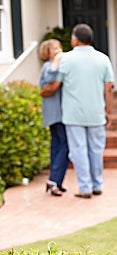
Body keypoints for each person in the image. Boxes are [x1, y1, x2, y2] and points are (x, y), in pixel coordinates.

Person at [41, 23, 114, 199]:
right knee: (96, 150)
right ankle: (97, 184)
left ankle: (85, 187)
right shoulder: (103, 58)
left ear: (75, 39)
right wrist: (108, 111)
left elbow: (55, 84)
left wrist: (43, 91)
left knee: (78, 150)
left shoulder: (66, 59)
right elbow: (109, 88)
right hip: (96, 113)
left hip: (73, 115)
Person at [38, 39, 69, 197]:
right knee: (64, 145)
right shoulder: (48, 66)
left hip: (58, 112)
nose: (57, 51)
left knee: (57, 146)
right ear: (47, 52)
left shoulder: (56, 66)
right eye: (53, 49)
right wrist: (56, 61)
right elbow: (49, 79)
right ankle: (54, 180)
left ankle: (56, 181)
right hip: (56, 114)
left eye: (59, 47)